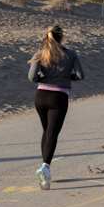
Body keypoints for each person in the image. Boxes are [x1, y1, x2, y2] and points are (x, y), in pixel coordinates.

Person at [27, 25, 83, 190]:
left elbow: (31, 77)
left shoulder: (41, 53)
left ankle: (44, 166)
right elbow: (80, 75)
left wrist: (44, 77)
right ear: (62, 37)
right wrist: (66, 77)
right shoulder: (71, 54)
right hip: (59, 97)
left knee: (47, 132)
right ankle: (45, 167)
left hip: (41, 96)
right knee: (52, 133)